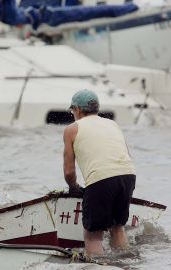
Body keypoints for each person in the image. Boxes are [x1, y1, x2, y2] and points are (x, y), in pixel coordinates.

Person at [63, 89, 136, 257]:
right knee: (117, 228)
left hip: (101, 179)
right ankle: (125, 263)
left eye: (72, 111)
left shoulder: (71, 129)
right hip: (128, 175)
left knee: (93, 235)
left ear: (78, 110)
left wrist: (73, 187)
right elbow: (126, 156)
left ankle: (98, 266)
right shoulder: (113, 124)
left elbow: (68, 171)